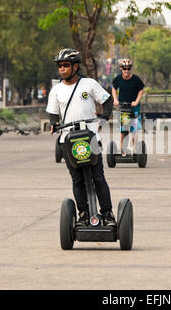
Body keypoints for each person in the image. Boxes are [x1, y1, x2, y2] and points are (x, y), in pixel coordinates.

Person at [46, 48, 116, 226]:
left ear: (75, 66)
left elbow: (107, 101)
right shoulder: (56, 90)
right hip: (68, 141)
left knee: (98, 178)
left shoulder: (89, 84)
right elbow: (53, 114)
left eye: (66, 65)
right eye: (60, 66)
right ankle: (84, 214)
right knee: (77, 180)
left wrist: (103, 118)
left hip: (90, 138)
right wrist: (54, 124)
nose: (62, 68)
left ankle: (107, 213)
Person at [112, 58, 145, 156]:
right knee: (124, 129)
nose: (126, 71)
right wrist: (115, 99)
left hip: (134, 107)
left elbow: (141, 90)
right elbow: (114, 88)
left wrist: (137, 101)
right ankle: (123, 149)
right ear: (121, 69)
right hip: (124, 106)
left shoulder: (136, 79)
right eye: (124, 69)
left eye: (128, 69)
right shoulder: (118, 78)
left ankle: (135, 149)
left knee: (134, 128)